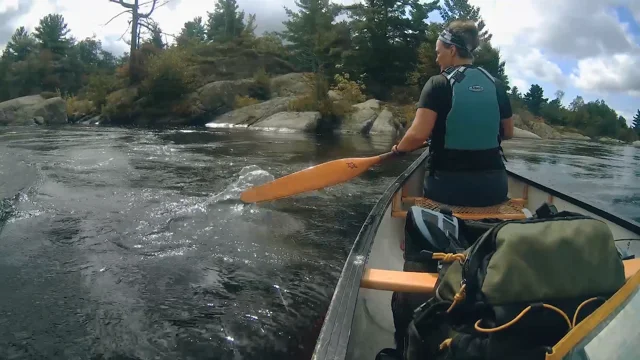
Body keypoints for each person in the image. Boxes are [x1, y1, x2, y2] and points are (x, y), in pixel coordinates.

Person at [391, 20, 514, 207]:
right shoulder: (496, 84)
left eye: (438, 53)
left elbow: (417, 136)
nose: (437, 59)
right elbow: (508, 133)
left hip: (448, 188)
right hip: (494, 188)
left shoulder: (438, 83)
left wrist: (399, 149)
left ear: (452, 51)